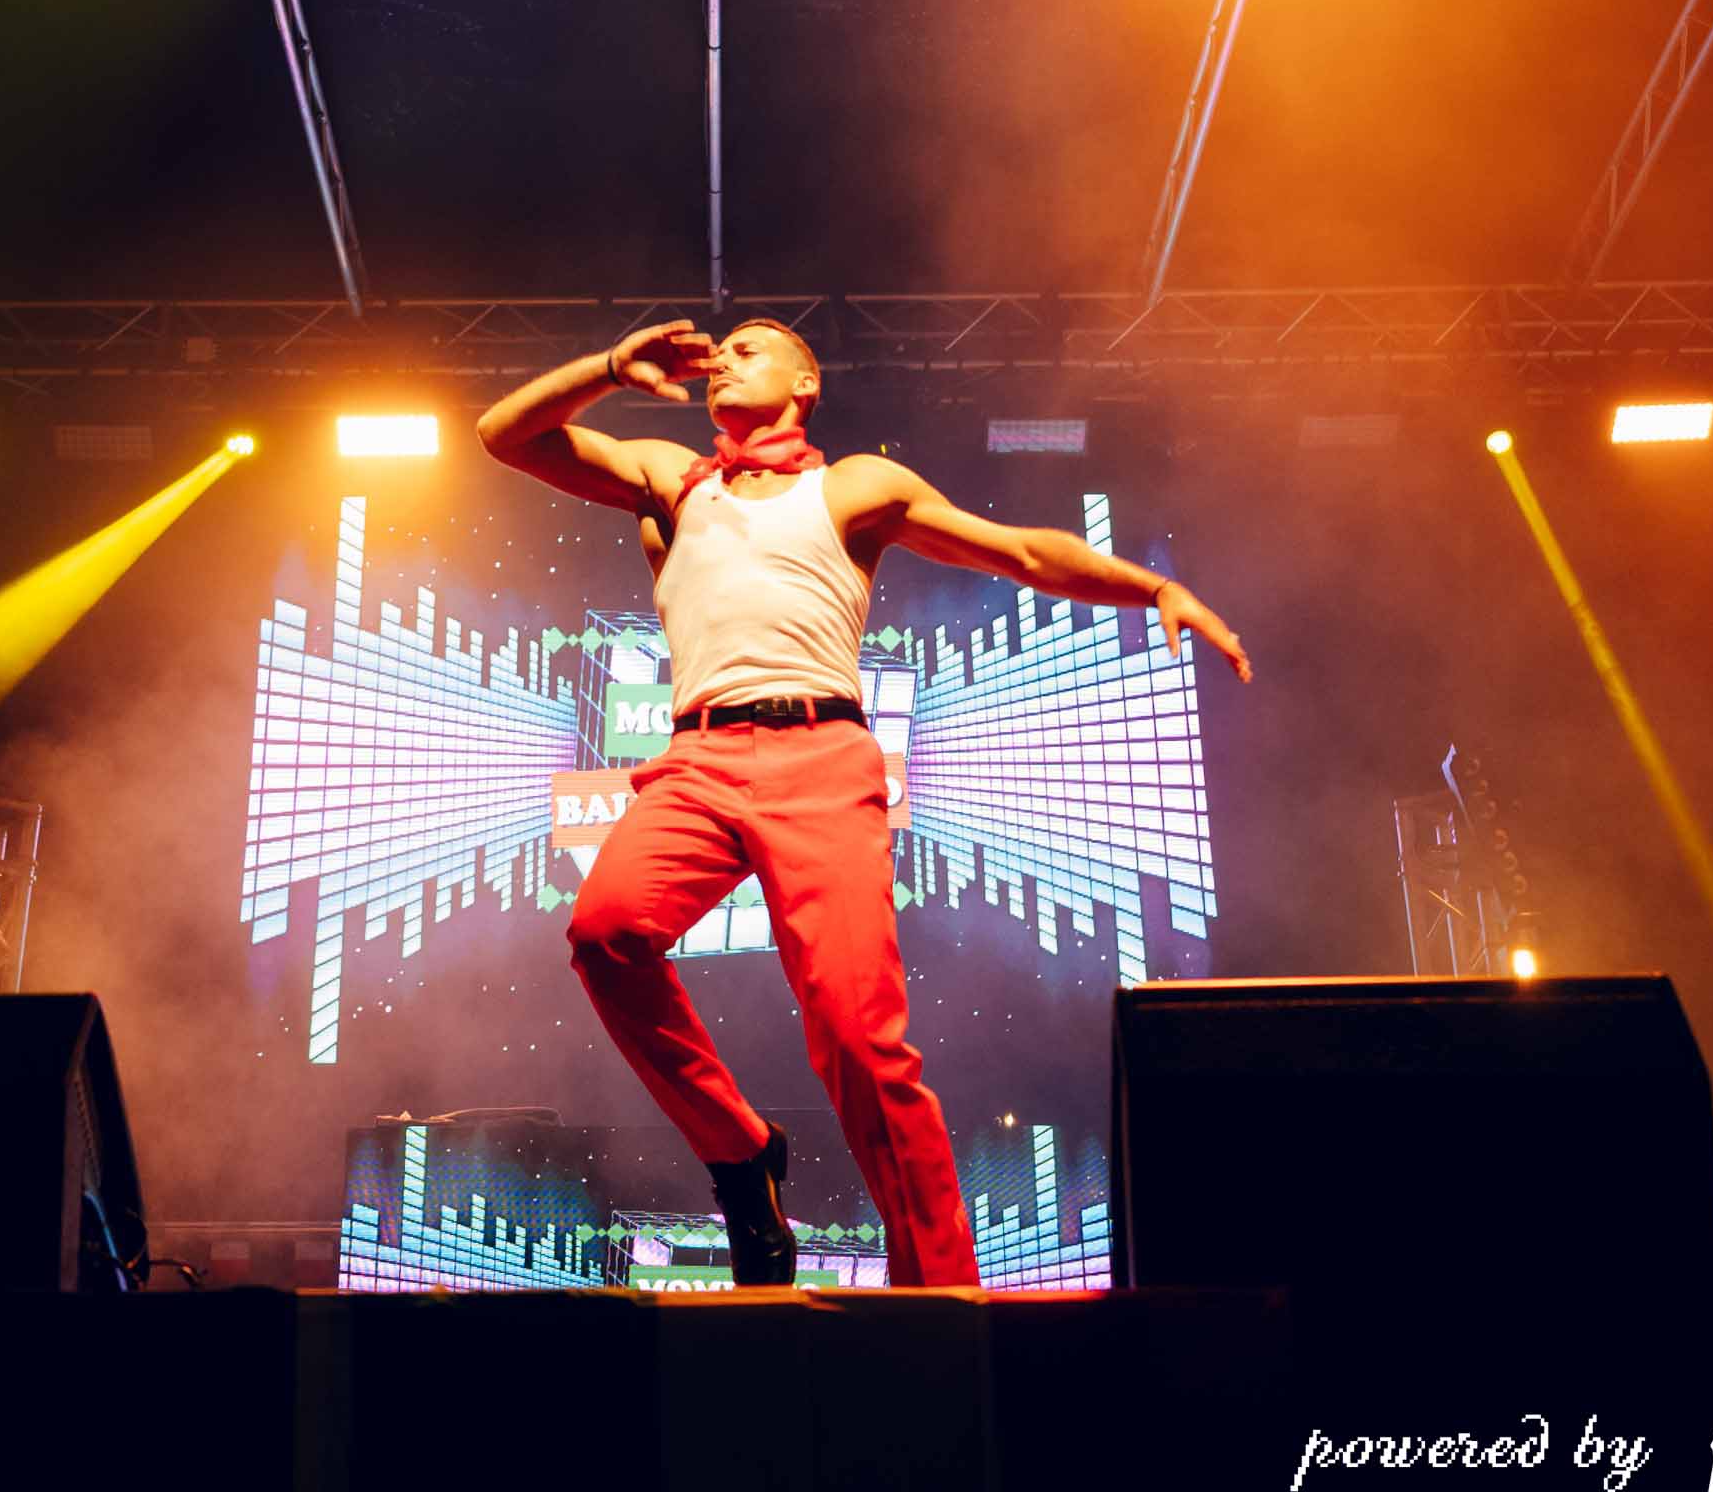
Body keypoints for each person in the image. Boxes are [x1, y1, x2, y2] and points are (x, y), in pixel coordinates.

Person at [478, 317, 1252, 1289]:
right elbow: (504, 435)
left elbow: (1019, 551)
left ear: (806, 383)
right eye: (720, 350)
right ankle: (740, 1152)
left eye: (751, 348)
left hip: (821, 756)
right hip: (698, 759)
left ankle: (939, 1293)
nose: (724, 359)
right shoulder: (673, 479)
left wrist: (1153, 589)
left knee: (857, 1037)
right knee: (605, 934)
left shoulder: (851, 488)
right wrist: (605, 368)